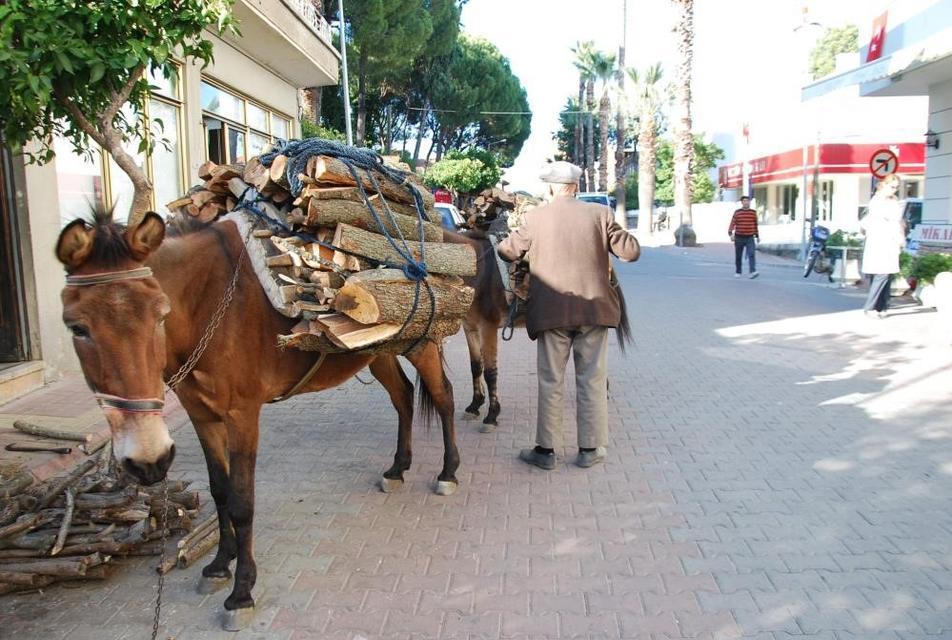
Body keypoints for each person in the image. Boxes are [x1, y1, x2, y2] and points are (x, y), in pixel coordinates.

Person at [496, 161, 640, 470]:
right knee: (592, 379)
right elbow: (630, 251)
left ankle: (545, 452)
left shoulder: (535, 218)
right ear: (576, 188)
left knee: (551, 380)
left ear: (550, 188)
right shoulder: (600, 215)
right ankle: (590, 449)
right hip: (594, 311)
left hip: (551, 312)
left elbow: (508, 251)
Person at [861, 174, 905, 318]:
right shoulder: (877, 200)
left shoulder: (893, 201)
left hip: (890, 241)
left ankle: (882, 306)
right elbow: (885, 220)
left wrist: (900, 237)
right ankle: (870, 306)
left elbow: (898, 221)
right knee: (881, 273)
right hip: (879, 240)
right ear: (885, 185)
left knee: (886, 273)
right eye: (892, 187)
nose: (894, 190)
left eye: (897, 187)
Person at [728, 196, 760, 279]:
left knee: (751, 254)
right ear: (742, 202)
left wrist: (757, 235)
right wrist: (730, 233)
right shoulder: (737, 212)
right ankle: (738, 271)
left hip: (750, 237)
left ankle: (752, 271)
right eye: (744, 201)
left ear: (749, 202)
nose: (746, 202)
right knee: (738, 255)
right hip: (739, 237)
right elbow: (732, 223)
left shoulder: (753, 213)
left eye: (747, 201)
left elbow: (755, 224)